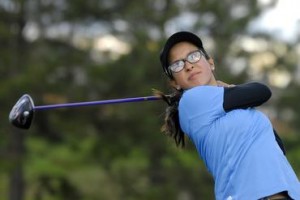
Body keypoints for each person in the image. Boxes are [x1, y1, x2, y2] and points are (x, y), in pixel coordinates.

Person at [157, 31, 300, 200]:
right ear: (175, 83)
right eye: (177, 65)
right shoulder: (190, 102)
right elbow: (262, 91)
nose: (188, 65)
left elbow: (277, 147)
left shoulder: (239, 109)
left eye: (193, 56)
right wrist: (229, 88)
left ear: (210, 63)